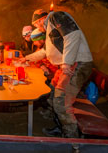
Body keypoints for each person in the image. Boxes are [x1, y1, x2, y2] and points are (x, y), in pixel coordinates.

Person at [21, 9, 93, 138]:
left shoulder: (56, 16)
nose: (37, 28)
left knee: (62, 102)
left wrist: (66, 62)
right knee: (52, 93)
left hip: (77, 64)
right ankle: (60, 127)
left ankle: (72, 139)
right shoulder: (50, 30)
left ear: (40, 20)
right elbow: (44, 52)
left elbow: (72, 36)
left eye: (36, 25)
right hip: (68, 65)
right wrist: (26, 59)